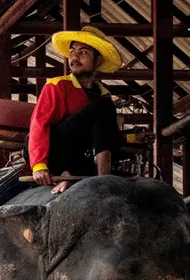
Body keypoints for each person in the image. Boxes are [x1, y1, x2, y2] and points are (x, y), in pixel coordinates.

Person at [27, 26, 123, 194]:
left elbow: (103, 134)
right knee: (104, 106)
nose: (74, 58)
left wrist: (131, 137)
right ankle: (102, 181)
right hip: (55, 151)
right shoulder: (57, 85)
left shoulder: (103, 93)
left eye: (83, 53)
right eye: (72, 52)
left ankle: (72, 175)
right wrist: (39, 165)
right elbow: (39, 125)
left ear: (98, 60)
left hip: (81, 154)